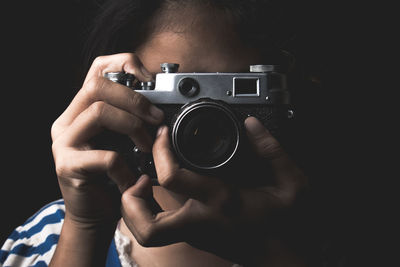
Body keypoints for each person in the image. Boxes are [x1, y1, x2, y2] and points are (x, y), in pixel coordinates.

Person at [1, 0, 327, 266]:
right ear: (109, 99)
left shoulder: (333, 239)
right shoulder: (45, 238)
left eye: (231, 94)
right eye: (171, 94)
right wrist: (85, 227)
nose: (199, 122)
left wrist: (272, 255)